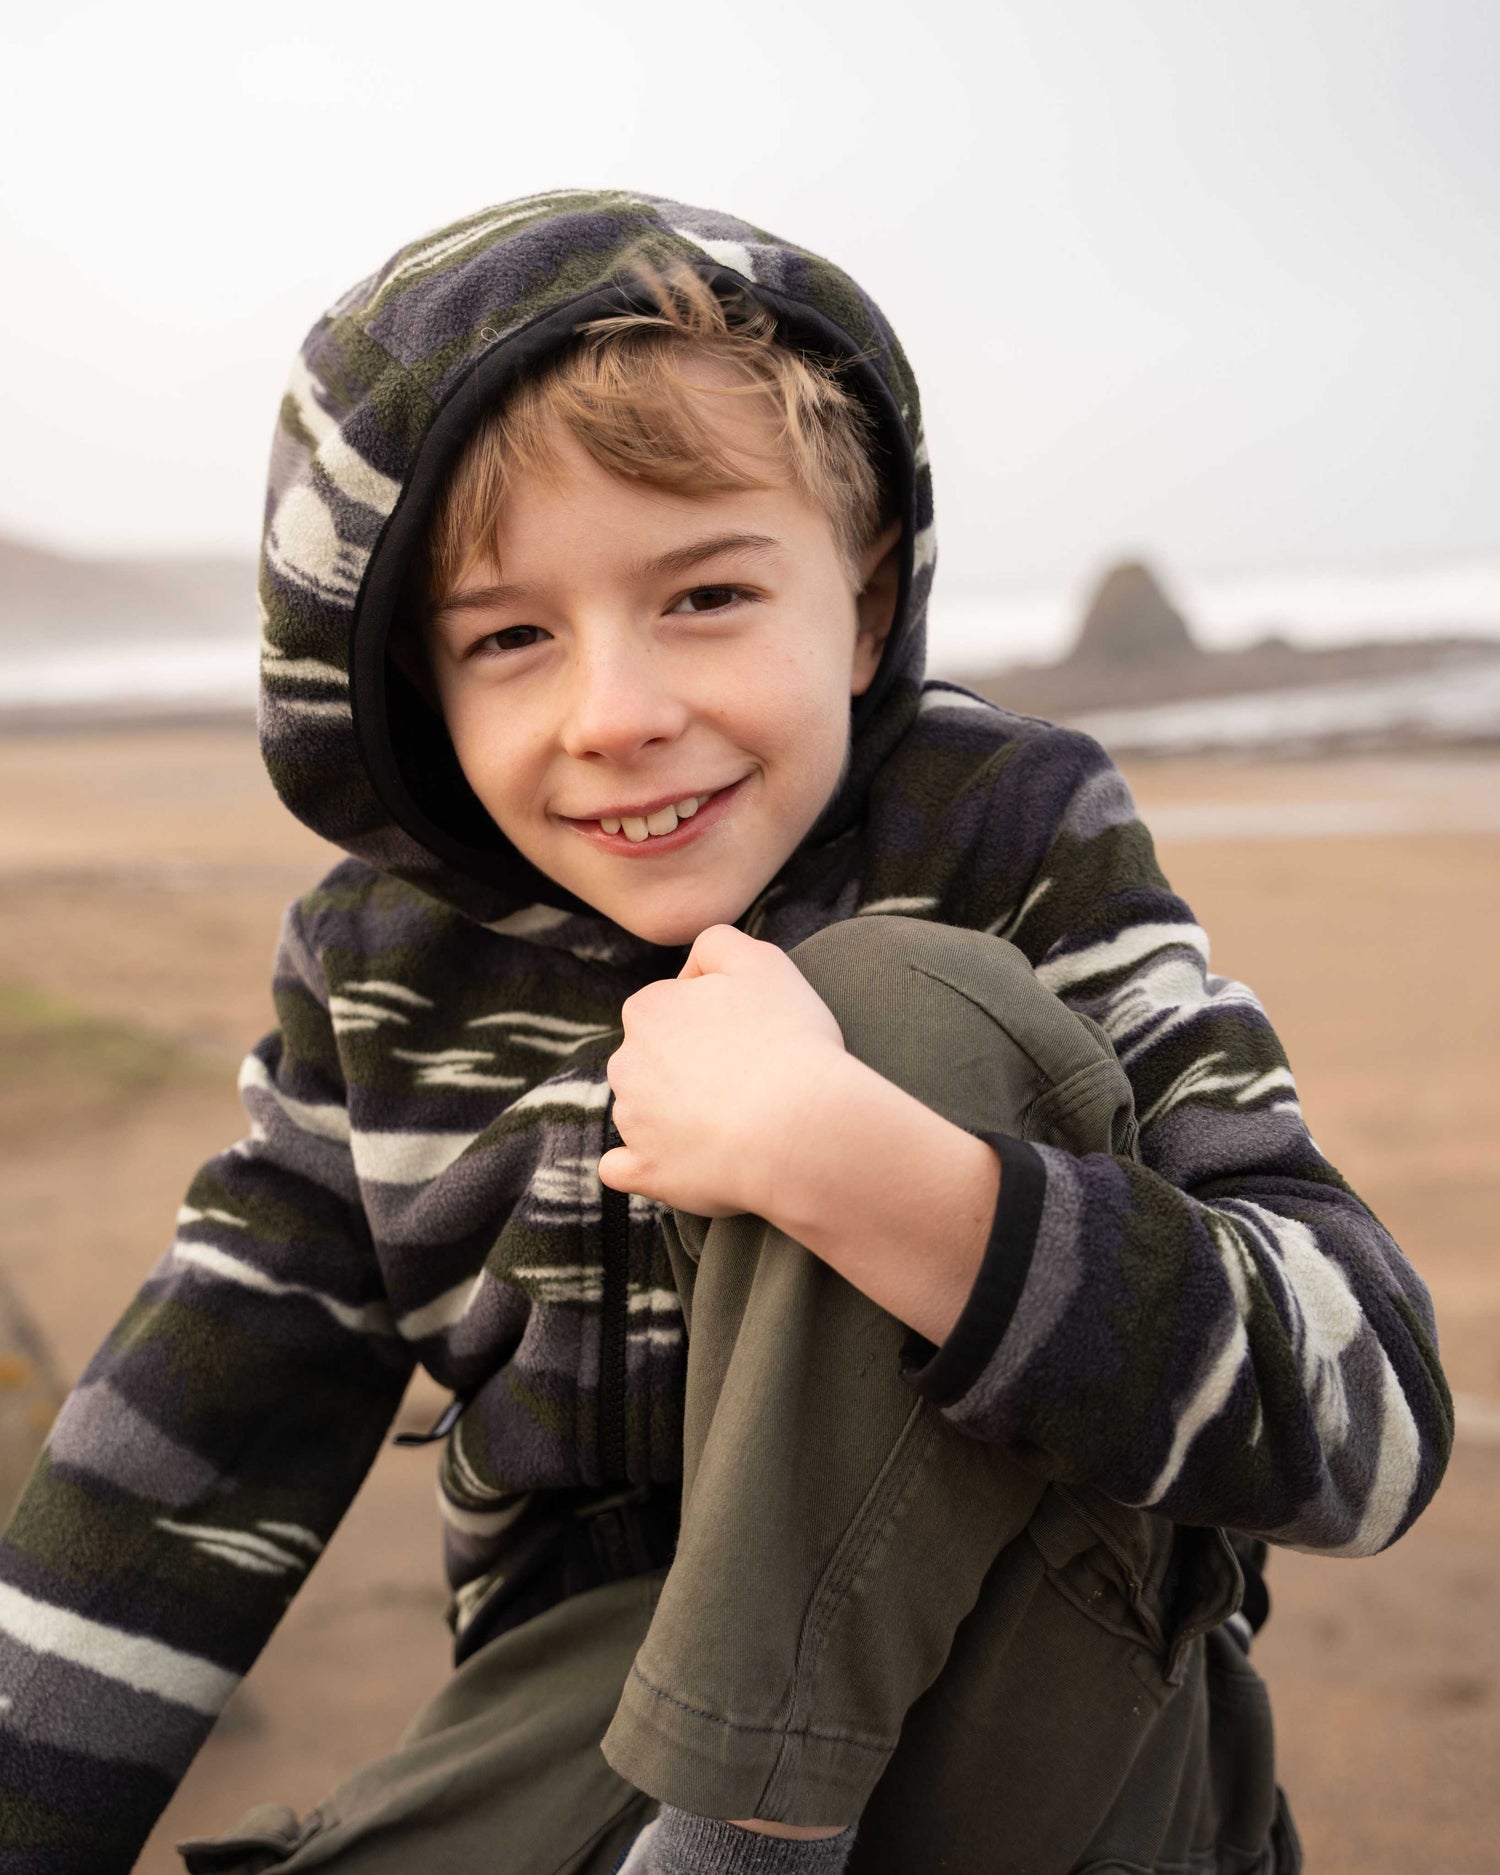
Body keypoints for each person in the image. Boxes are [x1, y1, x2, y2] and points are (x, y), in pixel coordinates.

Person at [0, 190, 1452, 1875]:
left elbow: (1378, 1421)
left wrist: (876, 1174)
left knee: (899, 1011)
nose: (618, 713)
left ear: (864, 596)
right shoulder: (379, 971)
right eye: (510, 638)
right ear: (418, 695)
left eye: (703, 597)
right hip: (586, 1718)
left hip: (1054, 1710)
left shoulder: (1009, 840)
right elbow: (187, 1461)